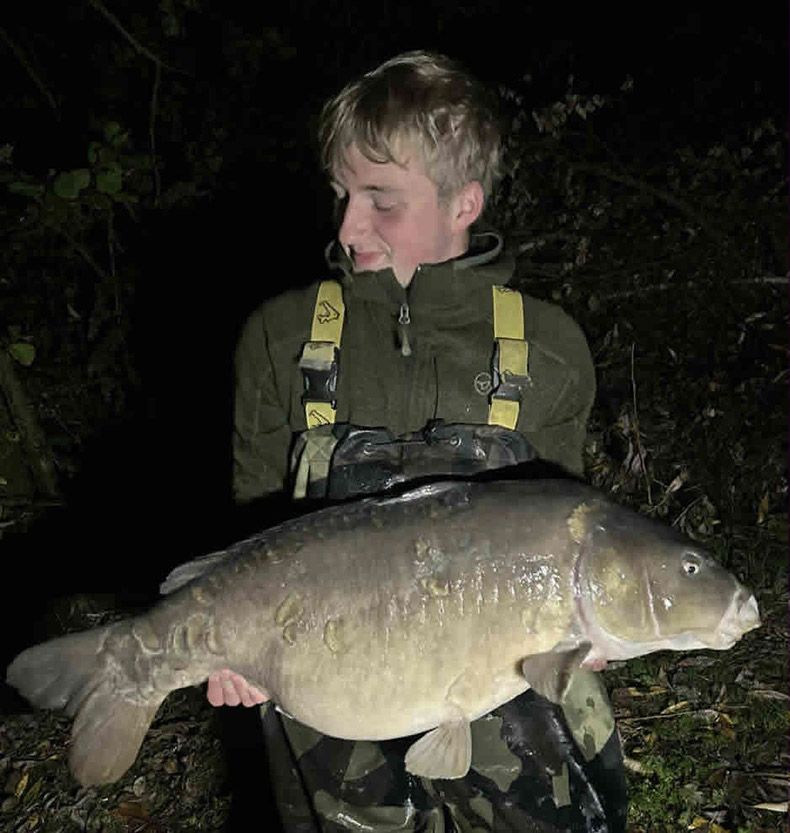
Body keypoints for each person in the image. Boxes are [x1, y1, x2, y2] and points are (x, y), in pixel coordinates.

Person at [210, 51, 627, 832]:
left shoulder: (549, 348)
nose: (346, 225)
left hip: (500, 683)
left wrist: (584, 629)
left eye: (381, 201)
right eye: (339, 193)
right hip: (332, 671)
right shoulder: (281, 336)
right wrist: (241, 649)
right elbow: (250, 526)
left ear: (464, 200)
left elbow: (566, 532)